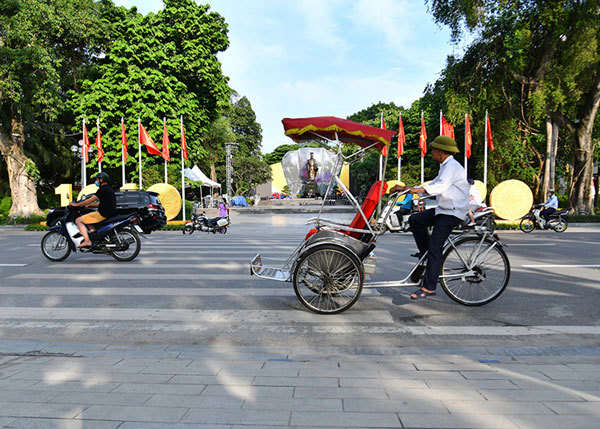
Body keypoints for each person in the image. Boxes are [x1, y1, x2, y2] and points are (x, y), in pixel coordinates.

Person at [390, 136, 469, 300]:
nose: (431, 152)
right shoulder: (444, 166)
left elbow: (440, 187)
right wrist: (408, 189)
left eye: (433, 149)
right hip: (443, 209)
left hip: (452, 212)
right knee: (415, 220)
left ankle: (429, 287)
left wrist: (413, 190)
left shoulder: (452, 166)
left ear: (440, 151)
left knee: (435, 245)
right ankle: (426, 255)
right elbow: (432, 184)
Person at [70, 172, 117, 248]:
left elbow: (90, 199)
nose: (96, 181)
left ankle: (87, 241)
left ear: (101, 180)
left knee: (78, 220)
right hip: (109, 212)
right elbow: (101, 203)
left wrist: (76, 205)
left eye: (97, 179)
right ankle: (92, 233)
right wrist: (89, 205)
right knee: (87, 218)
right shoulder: (108, 189)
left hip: (103, 213)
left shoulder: (103, 190)